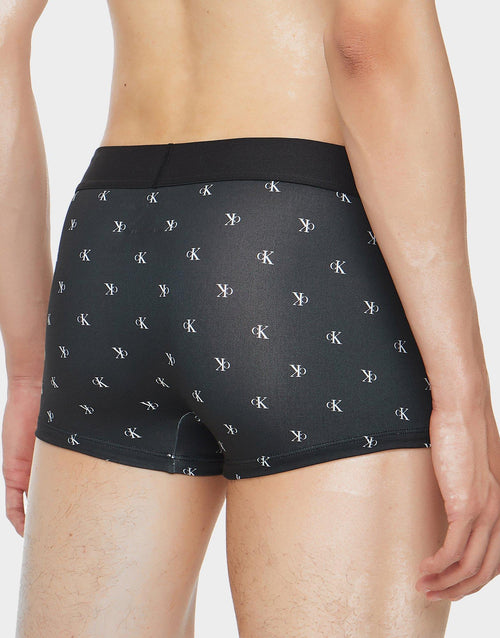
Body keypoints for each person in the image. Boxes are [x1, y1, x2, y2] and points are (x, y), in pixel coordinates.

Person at [1, 0, 499, 635]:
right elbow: (368, 43)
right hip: (298, 248)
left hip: (110, 249)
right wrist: (463, 398)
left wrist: (28, 368)